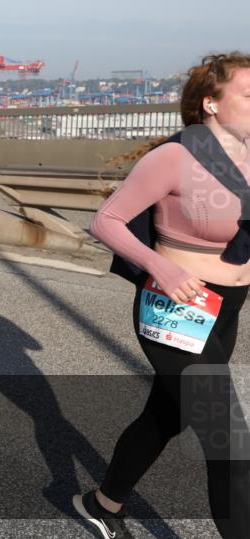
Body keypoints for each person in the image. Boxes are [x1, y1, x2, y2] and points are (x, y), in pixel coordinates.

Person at [75, 52, 250, 539]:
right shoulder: (175, 158)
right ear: (211, 103)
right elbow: (106, 221)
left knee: (167, 416)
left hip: (227, 308)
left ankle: (102, 503)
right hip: (178, 306)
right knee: (231, 443)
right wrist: (160, 265)